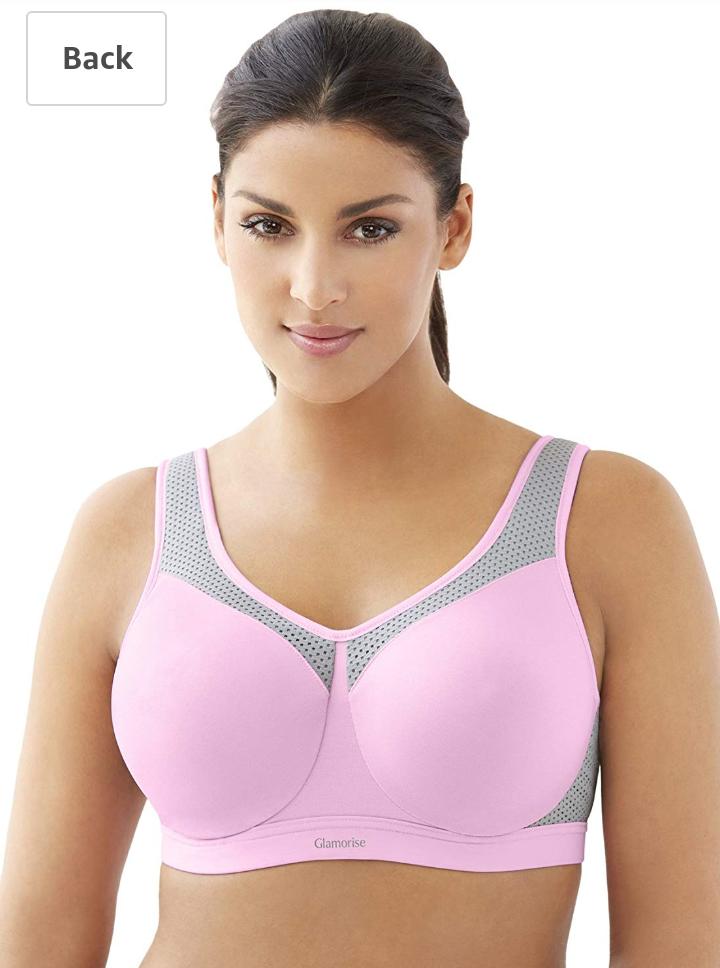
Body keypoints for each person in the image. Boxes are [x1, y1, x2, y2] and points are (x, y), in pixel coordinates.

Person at [1, 9, 718, 968]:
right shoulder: (130, 530)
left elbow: (681, 938)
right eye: (269, 225)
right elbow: (41, 937)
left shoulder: (603, 519)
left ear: (455, 227)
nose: (313, 287)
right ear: (216, 219)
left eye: (370, 228)